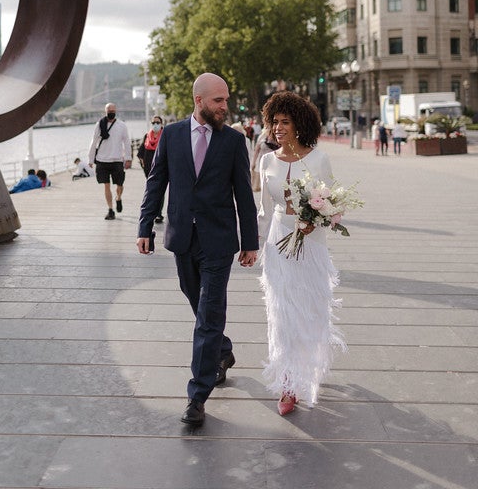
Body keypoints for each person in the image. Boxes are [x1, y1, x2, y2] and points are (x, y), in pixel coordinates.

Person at [137, 72, 259, 427]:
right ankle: (222, 351)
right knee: (195, 299)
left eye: (226, 100)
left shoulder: (234, 141)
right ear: (199, 101)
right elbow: (156, 182)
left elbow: (244, 197)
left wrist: (249, 241)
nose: (225, 106)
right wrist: (145, 226)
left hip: (219, 242)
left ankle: (197, 395)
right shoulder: (172, 135)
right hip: (182, 239)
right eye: (218, 101)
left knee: (208, 314)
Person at [258, 91, 346, 415]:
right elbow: (264, 211)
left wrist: (315, 222)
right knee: (281, 313)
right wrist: (252, 246)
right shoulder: (266, 161)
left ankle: (307, 368)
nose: (278, 127)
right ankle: (287, 384)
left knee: (308, 312)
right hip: (278, 245)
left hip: (310, 245)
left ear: (299, 124)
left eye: (285, 121)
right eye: (275, 121)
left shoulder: (319, 159)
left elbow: (334, 203)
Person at [88, 103, 132, 220]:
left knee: (120, 185)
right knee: (106, 186)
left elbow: (127, 142)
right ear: (105, 111)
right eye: (109, 110)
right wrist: (90, 159)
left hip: (117, 160)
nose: (111, 112)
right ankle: (110, 210)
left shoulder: (121, 125)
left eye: (113, 110)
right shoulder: (99, 124)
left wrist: (128, 158)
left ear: (116, 111)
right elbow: (93, 142)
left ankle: (118, 198)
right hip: (102, 160)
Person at [137, 116, 165, 222]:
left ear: (161, 123)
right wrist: (143, 164)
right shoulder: (147, 136)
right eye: (153, 122)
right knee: (151, 191)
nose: (155, 124)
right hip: (149, 169)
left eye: (158, 122)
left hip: (162, 168)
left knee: (160, 190)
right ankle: (152, 213)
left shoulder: (165, 135)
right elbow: (140, 153)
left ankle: (159, 213)